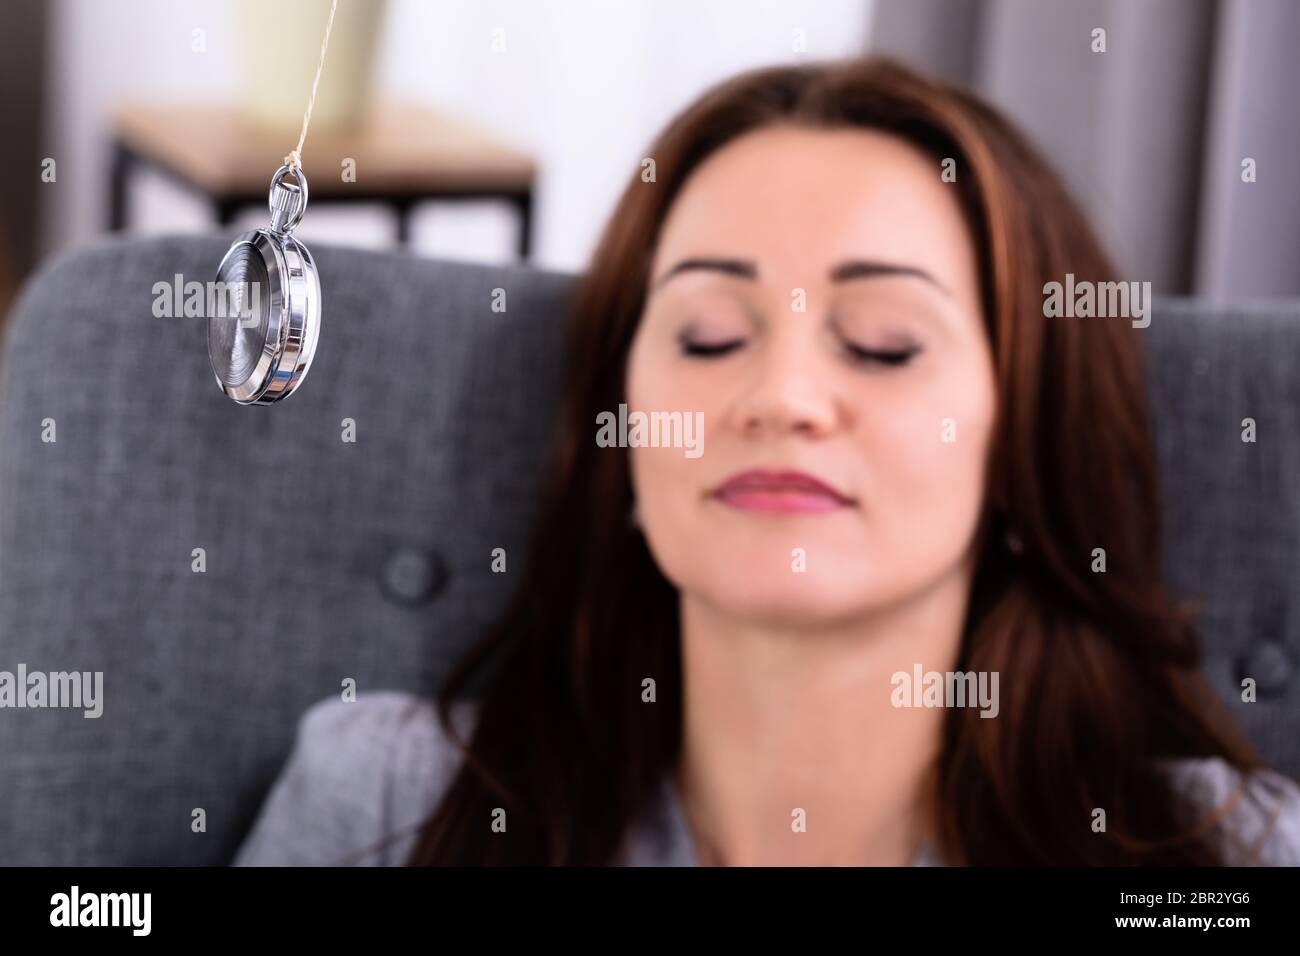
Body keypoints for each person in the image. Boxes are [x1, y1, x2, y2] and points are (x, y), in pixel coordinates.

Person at [235, 56, 1300, 867]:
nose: (781, 398)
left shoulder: (1222, 853)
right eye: (707, 336)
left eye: (884, 341)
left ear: (1024, 440)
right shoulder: (383, 801)